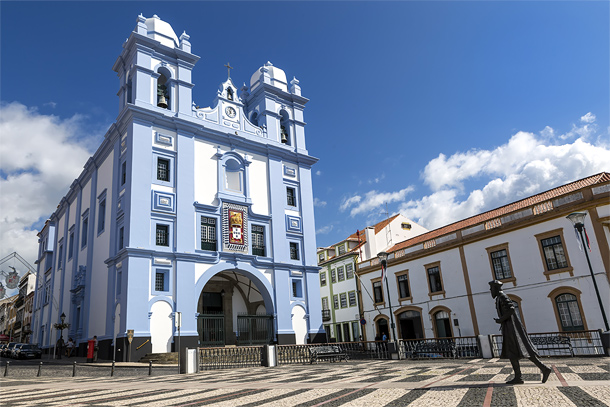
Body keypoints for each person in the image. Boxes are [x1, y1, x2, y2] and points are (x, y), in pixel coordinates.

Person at [490, 280, 552, 384]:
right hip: (509, 327)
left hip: (511, 328)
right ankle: (524, 375)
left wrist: (501, 320)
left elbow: (511, 309)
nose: (490, 291)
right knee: (516, 352)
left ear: (495, 288)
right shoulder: (500, 297)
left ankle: (541, 369)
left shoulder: (502, 297)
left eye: (491, 288)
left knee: (516, 351)